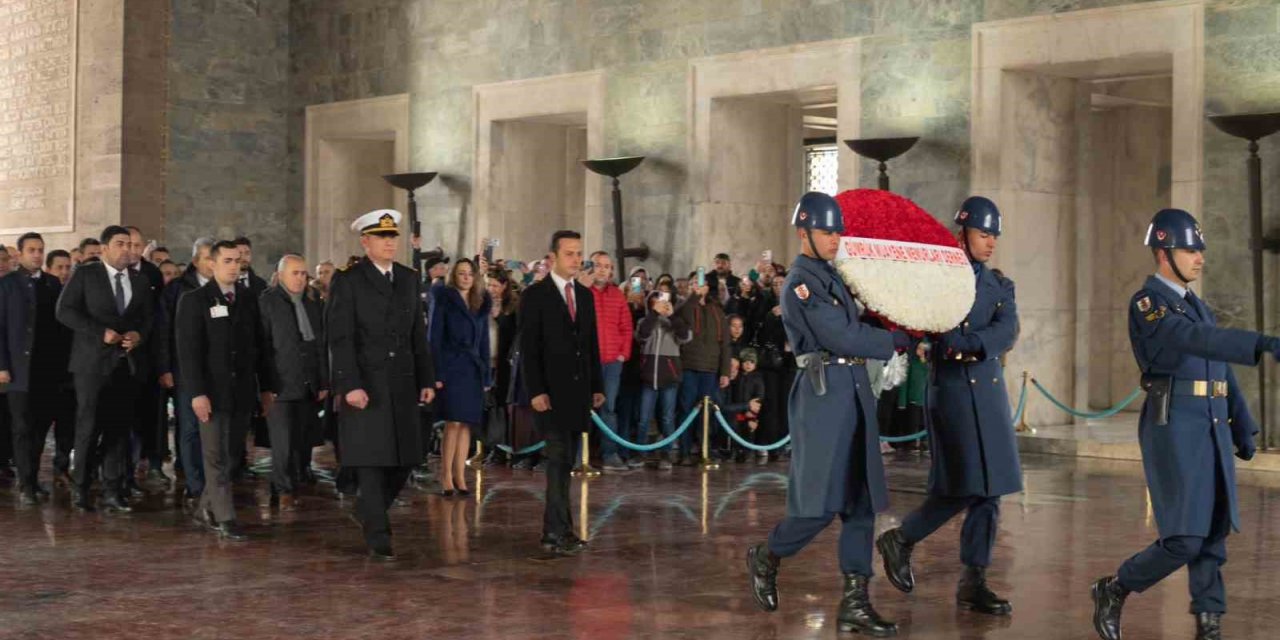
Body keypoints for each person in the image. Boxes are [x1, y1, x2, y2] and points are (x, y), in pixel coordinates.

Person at [1090, 209, 1280, 640]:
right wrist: (1262, 343)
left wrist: (1241, 423)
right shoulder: (1148, 305)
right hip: (1174, 425)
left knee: (1214, 532)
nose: (1200, 258)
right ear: (1163, 253)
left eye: (1200, 249)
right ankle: (1115, 587)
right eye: (1190, 249)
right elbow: (1194, 341)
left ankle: (1208, 622)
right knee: (1184, 539)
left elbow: (1219, 370)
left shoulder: (1198, 307)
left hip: (1210, 424)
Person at [745, 192, 912, 637]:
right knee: (818, 505)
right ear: (804, 234)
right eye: (827, 231)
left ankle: (855, 602)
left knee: (861, 504)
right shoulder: (801, 280)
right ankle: (767, 555)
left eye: (838, 231)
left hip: (852, 390)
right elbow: (839, 335)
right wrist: (892, 341)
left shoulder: (829, 274)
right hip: (824, 395)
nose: (836, 238)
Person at [877, 196, 1021, 617]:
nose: (990, 242)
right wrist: (947, 342)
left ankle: (973, 581)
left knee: (990, 491)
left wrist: (972, 345)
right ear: (962, 233)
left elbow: (1006, 329)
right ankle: (902, 539)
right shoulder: (938, 277)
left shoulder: (1000, 283)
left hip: (988, 391)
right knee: (963, 484)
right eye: (983, 234)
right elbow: (927, 323)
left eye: (994, 235)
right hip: (954, 392)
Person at [327, 209, 435, 560]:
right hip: (367, 383)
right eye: (382, 237)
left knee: (405, 458)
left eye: (393, 237)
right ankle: (378, 533)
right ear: (365, 241)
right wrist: (350, 384)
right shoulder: (349, 280)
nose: (390, 243)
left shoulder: (407, 278)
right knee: (372, 460)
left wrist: (426, 377)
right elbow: (340, 338)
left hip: (402, 382)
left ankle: (367, 510)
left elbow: (417, 334)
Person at [56, 225, 155, 513]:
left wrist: (138, 335)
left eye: (130, 244)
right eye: (120, 244)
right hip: (91, 365)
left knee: (118, 429)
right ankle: (81, 488)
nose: (127, 249)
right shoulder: (87, 275)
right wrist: (100, 332)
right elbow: (64, 311)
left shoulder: (139, 280)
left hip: (125, 364)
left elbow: (149, 319)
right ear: (105, 249)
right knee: (87, 428)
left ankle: (113, 490)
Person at [518, 230, 604, 556]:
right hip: (549, 395)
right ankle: (554, 532)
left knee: (566, 462)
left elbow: (590, 345)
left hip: (577, 393)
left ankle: (561, 529)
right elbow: (529, 349)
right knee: (556, 461)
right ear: (553, 257)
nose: (576, 259)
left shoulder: (584, 296)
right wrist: (536, 391)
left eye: (579, 253)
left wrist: (596, 385)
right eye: (569, 253)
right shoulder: (535, 296)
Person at [175, 240, 264, 540]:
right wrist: (196, 393)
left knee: (232, 455)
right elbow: (188, 353)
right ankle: (225, 518)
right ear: (212, 264)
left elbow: (258, 347)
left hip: (240, 392)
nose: (235, 266)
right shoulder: (195, 300)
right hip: (211, 392)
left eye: (238, 260)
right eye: (227, 260)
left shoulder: (249, 299)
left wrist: (265, 387)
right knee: (215, 456)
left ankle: (205, 509)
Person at [0, 233, 74, 503]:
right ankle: (26, 484)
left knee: (41, 427)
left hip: (48, 370)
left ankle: (31, 477)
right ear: (19, 254)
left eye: (40, 250)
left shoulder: (52, 283)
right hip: (18, 370)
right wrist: (2, 366)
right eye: (31, 250)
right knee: (21, 427)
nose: (37, 255)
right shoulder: (6, 285)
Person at [259, 254, 328, 511]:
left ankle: (295, 482)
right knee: (282, 443)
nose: (300, 278)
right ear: (281, 275)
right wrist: (266, 385)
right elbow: (263, 346)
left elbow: (319, 345)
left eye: (303, 274)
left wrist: (323, 380)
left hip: (308, 382)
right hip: (280, 383)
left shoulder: (312, 302)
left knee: (301, 439)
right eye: (295, 273)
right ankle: (282, 489)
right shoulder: (268, 302)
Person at [159, 237, 216, 506]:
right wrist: (166, 367)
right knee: (190, 427)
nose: (212, 263)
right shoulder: (178, 289)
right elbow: (166, 332)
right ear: (195, 261)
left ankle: (215, 481)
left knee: (214, 428)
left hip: (216, 373)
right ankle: (195, 484)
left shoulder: (223, 288)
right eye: (207, 258)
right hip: (185, 370)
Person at [430, 258, 491, 497]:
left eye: (469, 274)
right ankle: (445, 475)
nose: (466, 277)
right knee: (452, 422)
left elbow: (484, 341)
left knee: (466, 423)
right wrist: (435, 373)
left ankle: (459, 475)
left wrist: (486, 375)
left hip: (473, 368)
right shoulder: (444, 299)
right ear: (454, 275)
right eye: (461, 273)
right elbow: (434, 338)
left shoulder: (480, 302)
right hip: (451, 366)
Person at [673, 270, 731, 465]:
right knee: (686, 409)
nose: (696, 286)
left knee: (707, 411)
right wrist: (693, 296)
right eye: (692, 284)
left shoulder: (716, 309)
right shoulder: (684, 305)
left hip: (711, 368)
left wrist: (725, 371)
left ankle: (705, 450)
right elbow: (682, 315)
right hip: (689, 366)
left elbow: (725, 343)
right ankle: (684, 451)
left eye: (700, 283)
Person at [586, 251, 634, 472]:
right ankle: (578, 456)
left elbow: (626, 326)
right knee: (581, 408)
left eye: (606, 266)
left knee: (609, 408)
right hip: (586, 361)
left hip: (612, 362)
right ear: (591, 267)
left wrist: (623, 353)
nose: (602, 269)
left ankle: (610, 454)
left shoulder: (617, 295)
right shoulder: (581, 292)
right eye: (598, 265)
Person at [634, 289, 691, 470]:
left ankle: (666, 453)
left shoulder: (674, 322)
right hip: (649, 375)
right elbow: (641, 335)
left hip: (669, 376)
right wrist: (653, 314)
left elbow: (685, 337)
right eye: (655, 301)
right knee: (643, 418)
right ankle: (640, 453)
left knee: (667, 418)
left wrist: (672, 316)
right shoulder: (645, 321)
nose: (659, 303)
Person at [484, 269, 520, 466]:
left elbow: (514, 333)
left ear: (504, 286)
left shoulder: (513, 306)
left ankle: (507, 447)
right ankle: (493, 447)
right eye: (489, 285)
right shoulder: (482, 302)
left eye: (495, 286)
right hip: (487, 362)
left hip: (505, 364)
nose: (491, 289)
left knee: (505, 406)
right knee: (491, 406)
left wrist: (498, 317)